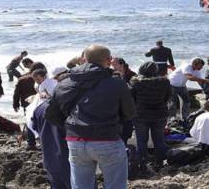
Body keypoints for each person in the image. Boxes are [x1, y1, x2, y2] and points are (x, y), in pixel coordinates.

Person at [45, 45, 135, 189]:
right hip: (108, 139)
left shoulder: (65, 82)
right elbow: (129, 113)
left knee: (81, 186)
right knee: (115, 185)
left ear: (83, 59)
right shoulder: (117, 83)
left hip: (76, 141)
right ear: (109, 60)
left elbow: (51, 114)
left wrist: (71, 127)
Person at [130, 61, 172, 173]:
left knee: (141, 141)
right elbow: (167, 97)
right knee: (159, 140)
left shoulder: (136, 82)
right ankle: (162, 163)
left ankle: (142, 164)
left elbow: (132, 98)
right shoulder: (164, 81)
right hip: (160, 114)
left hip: (140, 115)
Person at [31, 101, 71, 189]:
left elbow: (34, 128)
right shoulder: (70, 107)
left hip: (49, 159)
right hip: (69, 159)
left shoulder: (40, 108)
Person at [13, 62, 46, 150]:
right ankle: (42, 142)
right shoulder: (43, 78)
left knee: (29, 123)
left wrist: (15, 103)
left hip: (27, 104)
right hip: (41, 103)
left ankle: (31, 143)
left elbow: (16, 93)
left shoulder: (22, 79)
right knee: (41, 123)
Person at [111, 57, 137, 145]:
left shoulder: (132, 75)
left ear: (121, 65)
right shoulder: (112, 74)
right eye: (112, 64)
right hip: (116, 107)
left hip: (129, 105)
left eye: (115, 64)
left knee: (127, 130)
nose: (112, 66)